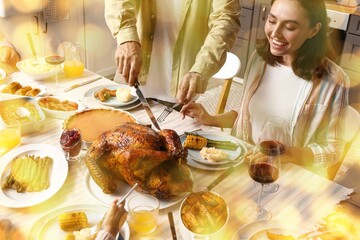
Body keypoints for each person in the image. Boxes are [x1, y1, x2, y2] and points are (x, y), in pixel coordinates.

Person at [181, 0, 349, 178]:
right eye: (272, 20)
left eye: (290, 27)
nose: (275, 33)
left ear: (313, 30)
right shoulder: (259, 59)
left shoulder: (334, 80)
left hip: (287, 178)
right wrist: (212, 119)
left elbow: (334, 149)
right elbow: (248, 115)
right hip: (243, 168)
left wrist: (290, 153)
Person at [104, 0, 241, 105]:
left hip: (184, 82)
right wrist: (126, 35)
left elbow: (226, 19)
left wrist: (202, 68)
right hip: (135, 74)